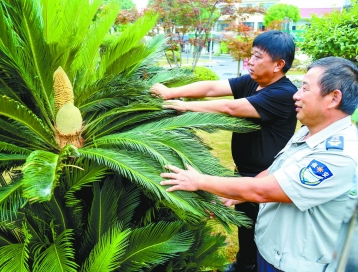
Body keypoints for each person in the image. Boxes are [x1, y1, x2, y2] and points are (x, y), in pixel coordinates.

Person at [159, 56, 358, 272]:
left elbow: (264, 191)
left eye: (305, 89)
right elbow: (273, 172)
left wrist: (199, 181)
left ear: (333, 98)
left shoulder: (339, 157)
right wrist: (233, 194)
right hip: (271, 253)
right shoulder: (307, 133)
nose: (296, 95)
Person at [151, 30, 297, 272]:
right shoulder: (253, 82)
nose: (250, 61)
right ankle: (244, 264)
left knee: (264, 232)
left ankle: (254, 265)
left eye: (258, 57)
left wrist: (187, 109)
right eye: (251, 54)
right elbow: (212, 88)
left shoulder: (283, 93)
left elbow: (232, 107)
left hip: (267, 177)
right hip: (245, 173)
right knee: (247, 227)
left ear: (278, 65)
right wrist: (171, 92)